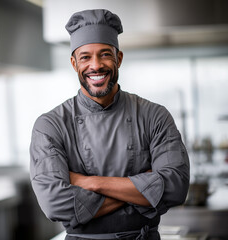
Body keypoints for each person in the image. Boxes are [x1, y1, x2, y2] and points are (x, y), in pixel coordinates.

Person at [29, 9, 190, 240]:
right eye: (85, 57)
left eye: (105, 54)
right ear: (74, 63)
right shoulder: (51, 125)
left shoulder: (154, 115)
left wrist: (91, 183)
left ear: (119, 59)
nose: (96, 66)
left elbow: (175, 188)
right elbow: (55, 205)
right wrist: (145, 189)